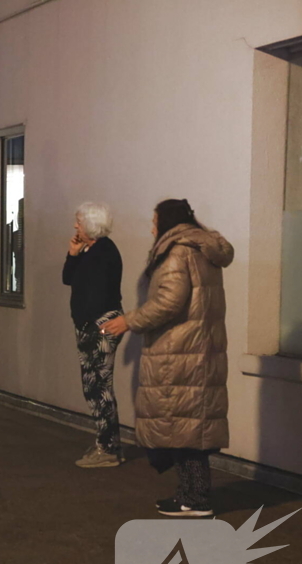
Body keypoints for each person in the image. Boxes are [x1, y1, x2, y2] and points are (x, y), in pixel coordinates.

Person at [101, 199, 234, 517]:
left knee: (187, 432)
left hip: (181, 352)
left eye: (154, 219)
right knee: (186, 429)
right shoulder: (199, 248)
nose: (151, 226)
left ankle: (197, 500)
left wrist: (128, 321)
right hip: (194, 350)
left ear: (167, 222)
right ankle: (189, 496)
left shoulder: (179, 251)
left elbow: (169, 302)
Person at [62, 202, 124, 468]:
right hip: (90, 326)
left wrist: (91, 326)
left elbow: (96, 294)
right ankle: (105, 443)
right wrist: (73, 254)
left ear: (90, 224)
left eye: (78, 221)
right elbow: (69, 279)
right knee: (93, 387)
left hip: (99, 326)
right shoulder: (91, 251)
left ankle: (108, 449)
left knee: (99, 387)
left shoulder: (104, 253)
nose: (75, 225)